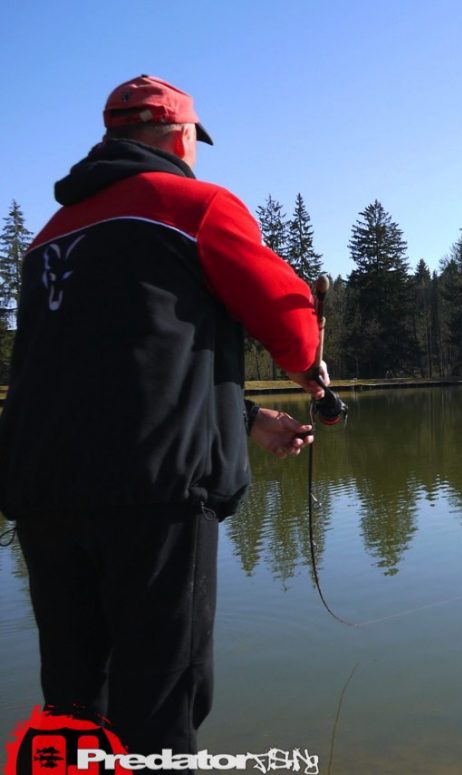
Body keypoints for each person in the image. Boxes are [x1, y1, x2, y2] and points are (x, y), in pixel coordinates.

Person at [0, 75, 325, 761]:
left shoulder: (47, 241)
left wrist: (243, 416)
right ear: (180, 137)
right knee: (161, 709)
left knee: (74, 707)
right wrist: (310, 368)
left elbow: (113, 372)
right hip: (153, 506)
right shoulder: (193, 206)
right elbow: (290, 318)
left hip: (42, 501)